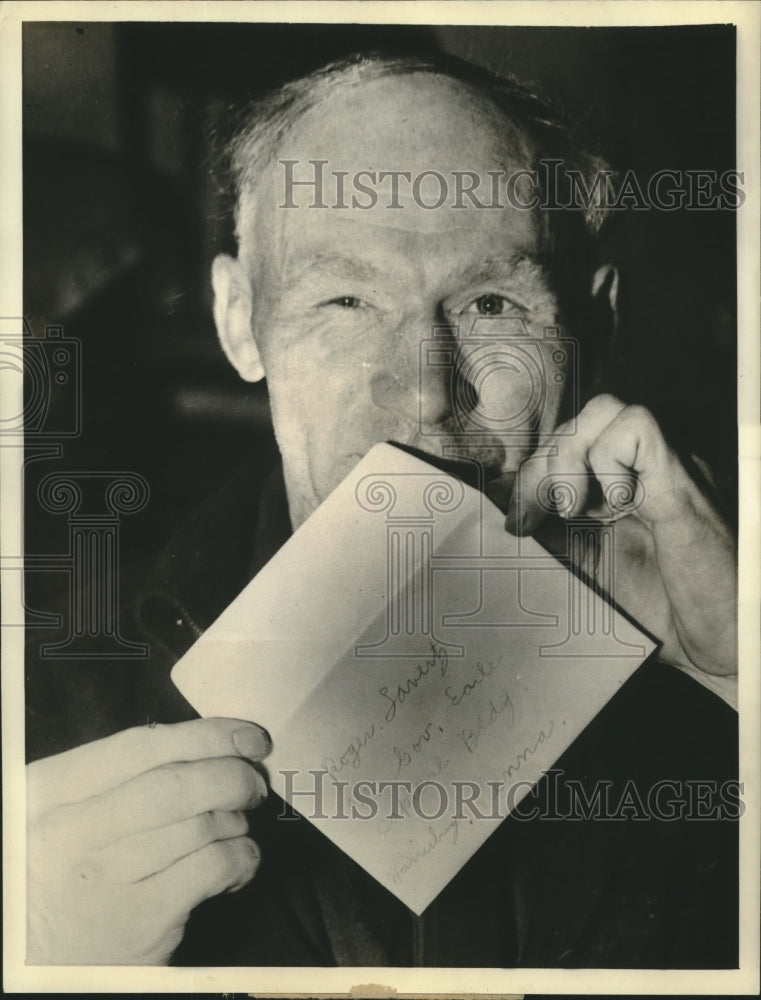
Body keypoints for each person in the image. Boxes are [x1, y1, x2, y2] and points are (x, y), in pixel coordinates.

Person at [25, 52, 738, 967]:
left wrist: (740, 680)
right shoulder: (36, 696)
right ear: (239, 319)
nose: (425, 396)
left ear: (592, 328)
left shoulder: (714, 650)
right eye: (347, 298)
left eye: (490, 303)